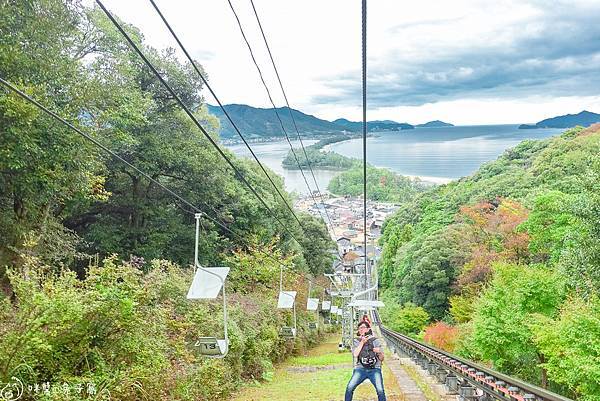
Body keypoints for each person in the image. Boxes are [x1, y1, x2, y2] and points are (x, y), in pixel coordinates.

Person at [344, 321, 386, 401]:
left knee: (380, 390)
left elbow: (382, 358)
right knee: (349, 387)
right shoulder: (356, 341)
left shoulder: (375, 340)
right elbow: (355, 354)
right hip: (360, 368)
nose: (361, 330)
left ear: (368, 329)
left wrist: (379, 352)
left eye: (363, 328)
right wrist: (362, 343)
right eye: (359, 328)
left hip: (375, 368)